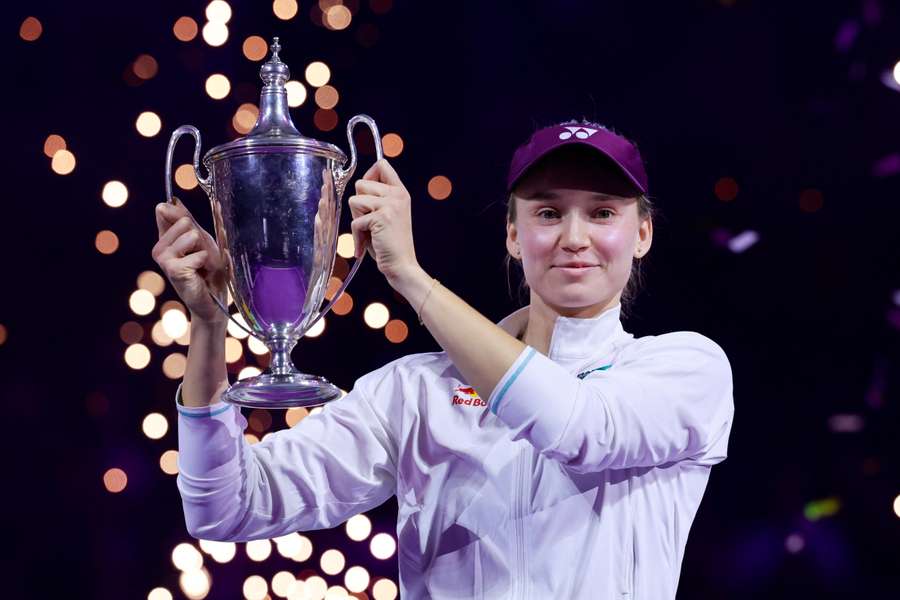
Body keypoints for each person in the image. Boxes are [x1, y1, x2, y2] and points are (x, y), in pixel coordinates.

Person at [152, 118, 735, 599]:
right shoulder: (416, 392)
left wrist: (409, 276)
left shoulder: (685, 370)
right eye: (549, 213)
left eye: (603, 213)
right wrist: (208, 329)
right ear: (513, 235)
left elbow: (578, 426)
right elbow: (226, 508)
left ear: (643, 235)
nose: (574, 237)